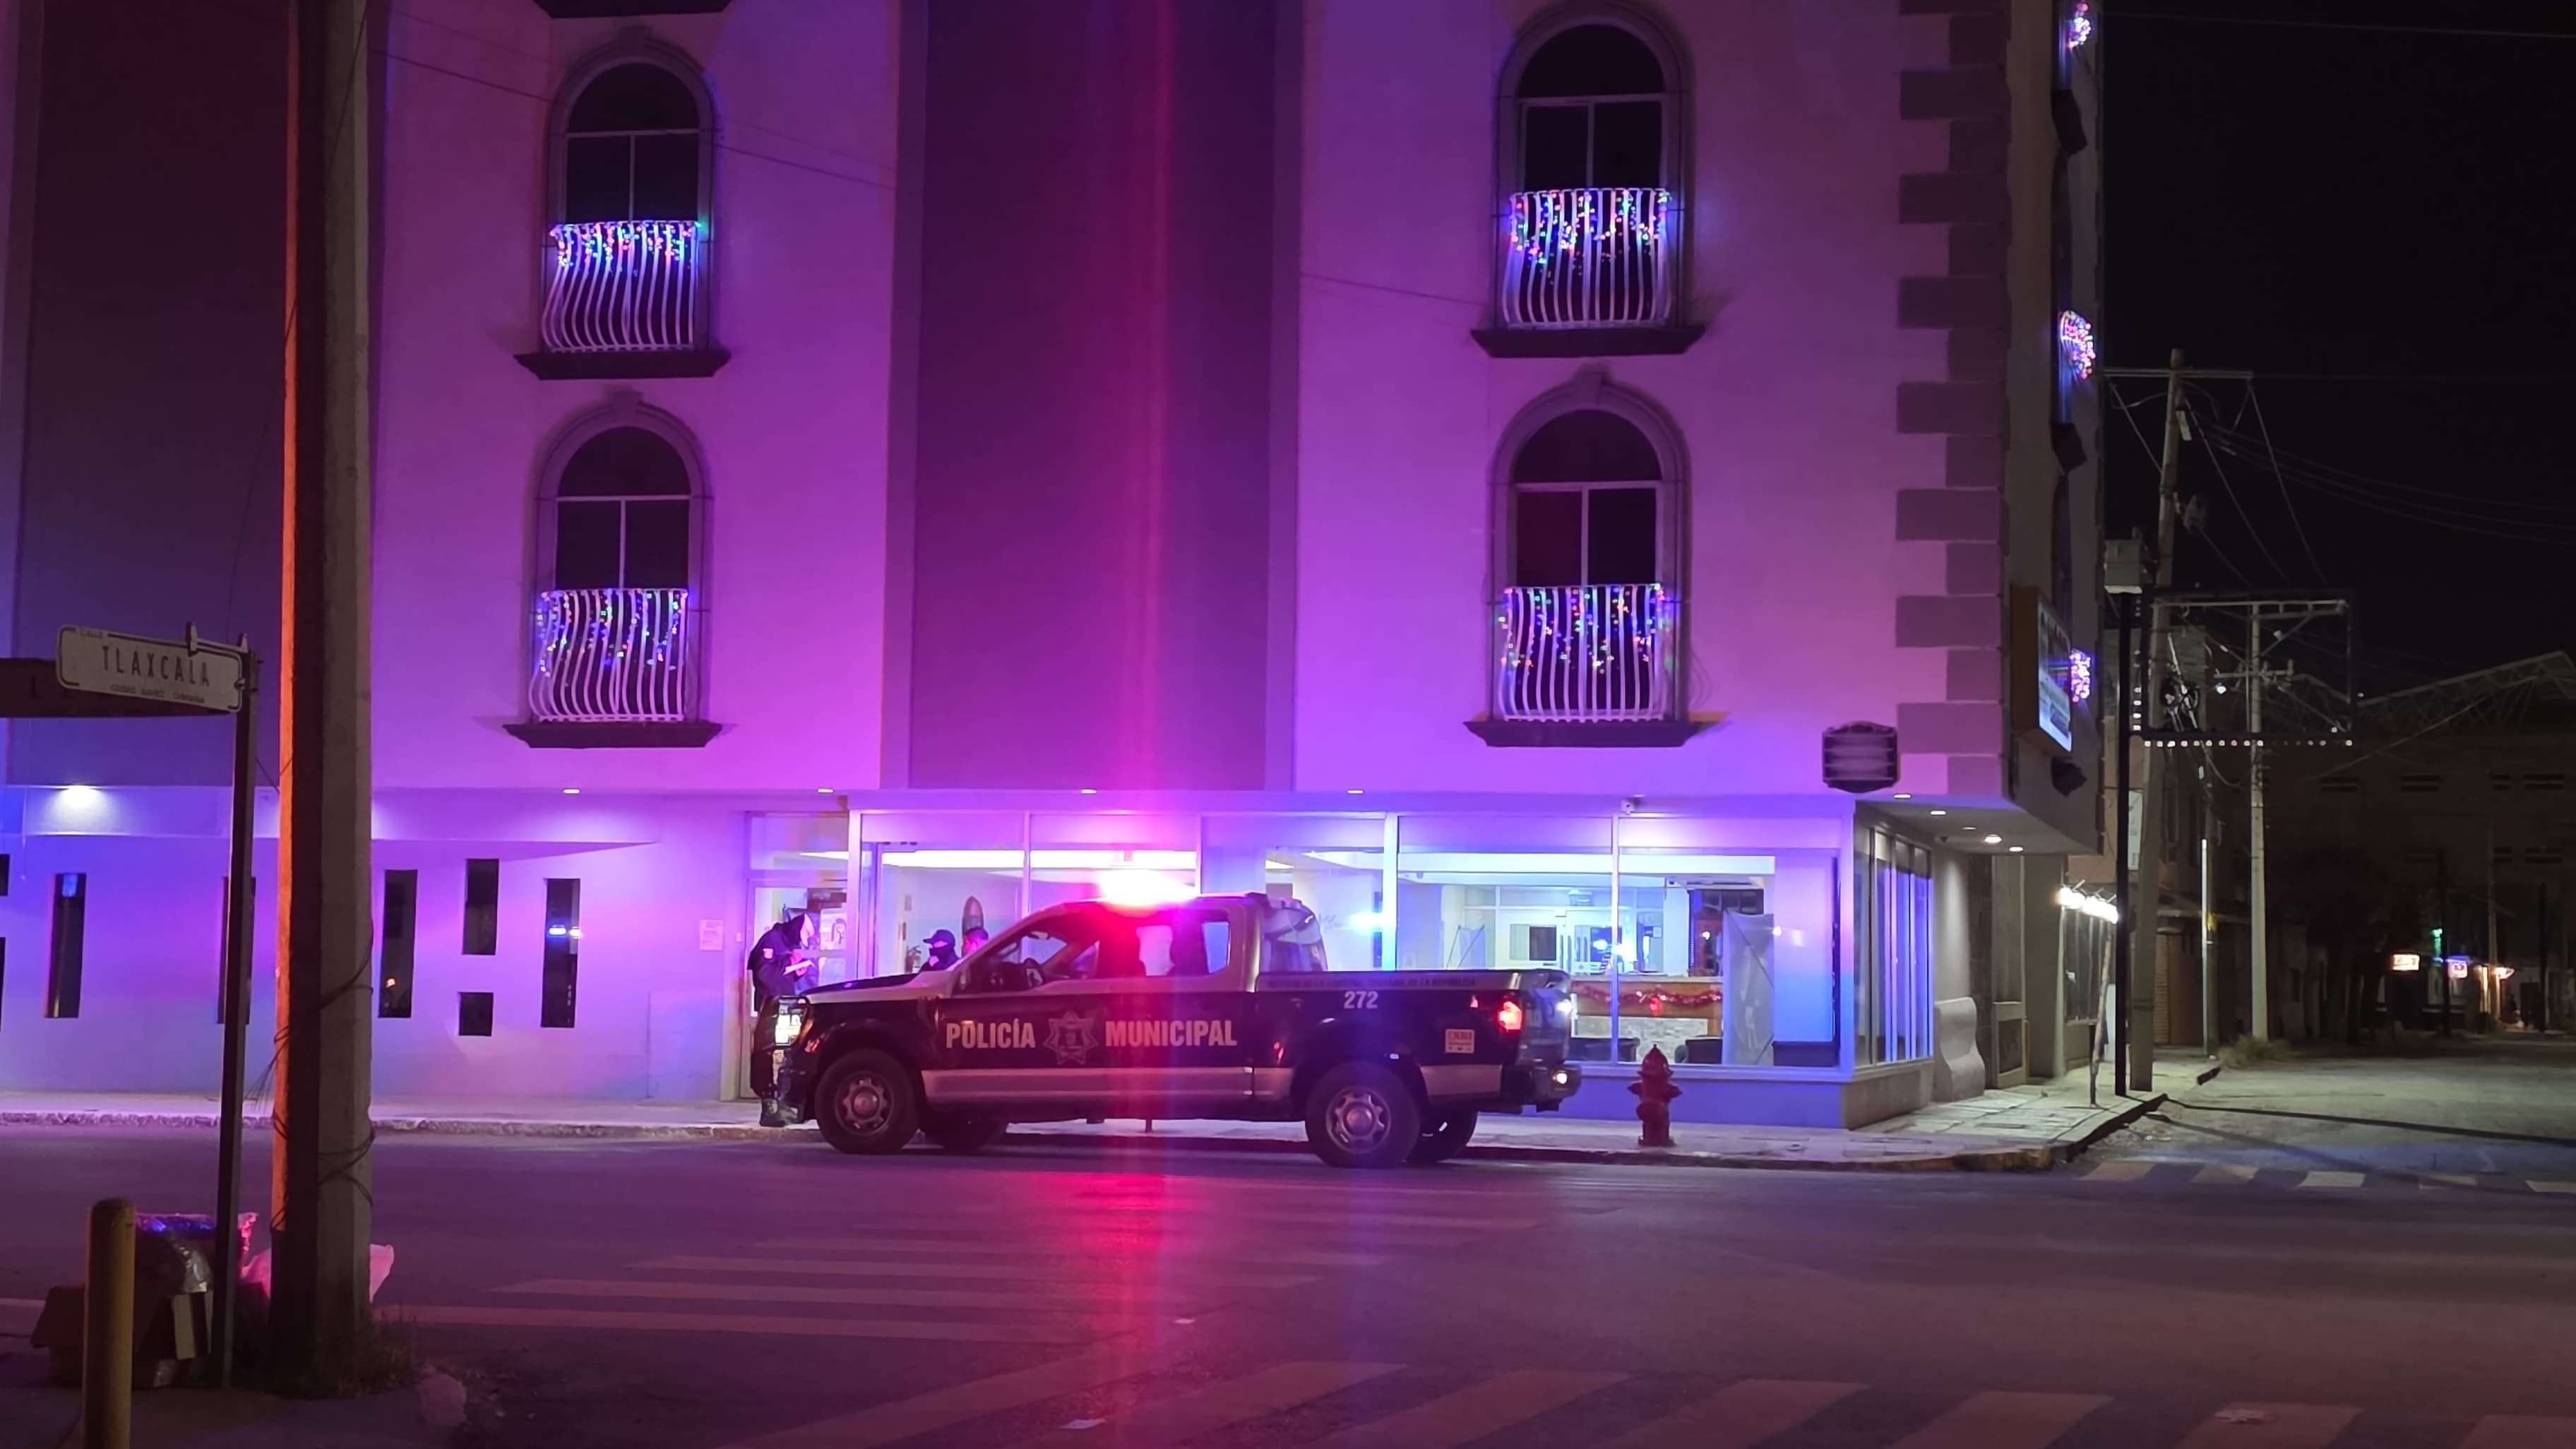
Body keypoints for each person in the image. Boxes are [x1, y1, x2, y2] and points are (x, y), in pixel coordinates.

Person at [748, 910, 816, 1098]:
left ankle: (777, 1089)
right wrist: (788, 964)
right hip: (770, 1003)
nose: (798, 943)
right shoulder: (771, 940)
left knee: (781, 1046)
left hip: (783, 1002)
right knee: (767, 1046)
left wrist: (795, 973)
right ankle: (765, 1089)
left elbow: (781, 976)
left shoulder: (783, 942)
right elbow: (764, 975)